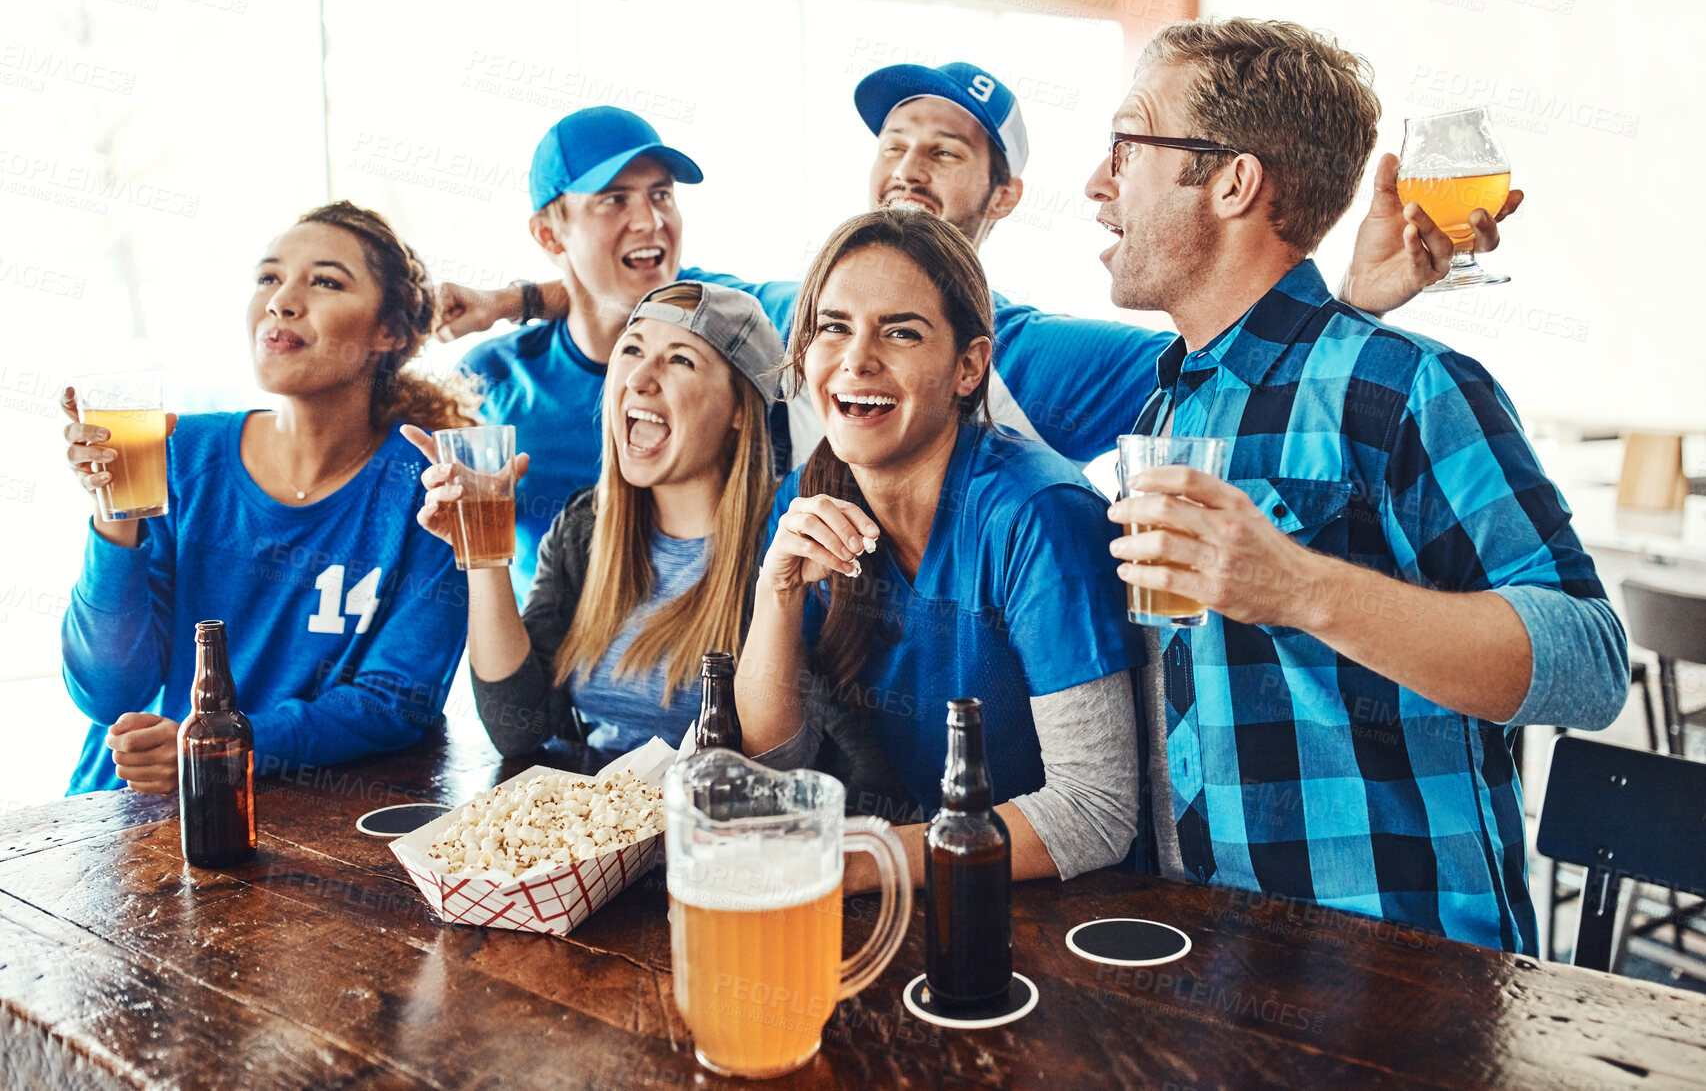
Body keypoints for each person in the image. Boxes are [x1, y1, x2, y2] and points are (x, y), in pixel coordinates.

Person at [1086, 17, 1625, 953]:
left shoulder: (1414, 388)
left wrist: (1297, 587)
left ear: (1233, 181)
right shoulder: (1176, 404)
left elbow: (1591, 664)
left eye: (1128, 145)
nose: (1099, 182)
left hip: (1402, 973)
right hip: (1214, 954)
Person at [437, 63, 1519, 468]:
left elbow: (1232, 356)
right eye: (895, 139)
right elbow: (663, 295)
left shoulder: (1046, 356)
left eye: (945, 150)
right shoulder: (787, 311)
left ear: (1000, 198)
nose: (909, 164)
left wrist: (1351, 299)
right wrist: (509, 295)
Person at [453, 105, 1041, 599]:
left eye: (661, 194)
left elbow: (880, 295)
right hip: (561, 685)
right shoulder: (488, 380)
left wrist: (512, 297)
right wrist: (515, 300)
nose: (651, 220)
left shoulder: (738, 317)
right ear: (550, 236)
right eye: (613, 200)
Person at [735, 206, 1142, 888]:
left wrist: (853, 860)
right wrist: (775, 594)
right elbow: (771, 760)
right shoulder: (810, 499)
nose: (856, 359)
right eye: (833, 327)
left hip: (1058, 906)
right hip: (924, 888)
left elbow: (1095, 812)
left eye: (900, 332)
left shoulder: (1038, 517)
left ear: (968, 368)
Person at [60, 202, 476, 795]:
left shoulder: (432, 485)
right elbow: (107, 692)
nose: (281, 300)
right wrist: (114, 517)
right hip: (121, 813)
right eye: (268, 278)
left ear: (390, 332)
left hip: (295, 820)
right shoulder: (178, 454)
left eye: (326, 281)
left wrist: (226, 746)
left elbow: (396, 702)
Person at [405, 281, 783, 755]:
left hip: (711, 821)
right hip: (597, 818)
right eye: (631, 350)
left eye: (681, 359)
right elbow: (517, 728)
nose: (639, 379)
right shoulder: (584, 526)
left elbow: (788, 755)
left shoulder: (784, 544)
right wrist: (481, 545)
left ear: (739, 411)